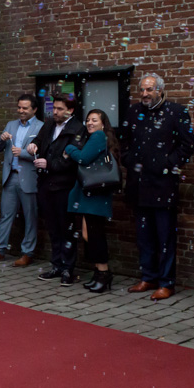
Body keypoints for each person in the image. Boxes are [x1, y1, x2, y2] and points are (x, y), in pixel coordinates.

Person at [119, 74, 194, 302]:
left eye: (149, 89)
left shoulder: (177, 112)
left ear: (160, 90)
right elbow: (124, 141)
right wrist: (129, 160)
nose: (144, 94)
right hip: (139, 185)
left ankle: (166, 282)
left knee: (165, 237)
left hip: (163, 185)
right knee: (144, 236)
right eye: (142, 89)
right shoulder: (133, 112)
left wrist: (167, 163)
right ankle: (148, 277)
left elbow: (187, 146)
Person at [0, 94, 42, 266]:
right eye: (19, 107)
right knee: (6, 215)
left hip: (29, 177)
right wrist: (1, 139)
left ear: (34, 109)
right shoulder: (11, 124)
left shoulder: (41, 127)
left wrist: (23, 153)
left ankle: (27, 252)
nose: (20, 111)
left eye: (25, 108)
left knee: (30, 217)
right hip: (10, 176)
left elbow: (43, 153)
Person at [29, 94, 84, 285]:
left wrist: (49, 164)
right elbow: (39, 140)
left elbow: (72, 159)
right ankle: (56, 265)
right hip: (46, 184)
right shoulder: (49, 125)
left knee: (66, 228)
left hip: (64, 186)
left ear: (71, 110)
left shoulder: (78, 129)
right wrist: (34, 145)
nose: (55, 112)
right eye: (54, 108)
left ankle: (68, 268)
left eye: (60, 109)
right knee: (52, 227)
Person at [65, 109, 120, 293]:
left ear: (103, 124)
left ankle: (104, 274)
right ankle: (99, 273)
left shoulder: (98, 136)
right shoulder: (97, 137)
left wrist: (69, 148)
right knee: (88, 233)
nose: (89, 123)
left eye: (94, 120)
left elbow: (83, 158)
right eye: (88, 120)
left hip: (95, 194)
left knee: (95, 235)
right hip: (91, 193)